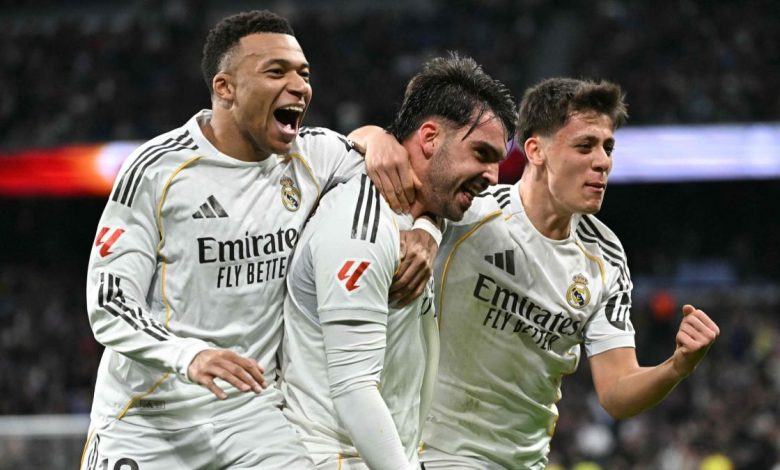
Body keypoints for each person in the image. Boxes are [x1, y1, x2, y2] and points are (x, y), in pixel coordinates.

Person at [80, 10, 426, 469]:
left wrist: (424, 228)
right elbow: (109, 301)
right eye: (276, 72)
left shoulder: (314, 156)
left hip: (250, 414)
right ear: (225, 88)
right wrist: (189, 354)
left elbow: (413, 180)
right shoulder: (157, 170)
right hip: (150, 416)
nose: (299, 86)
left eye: (304, 74)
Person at [416, 77, 721, 469]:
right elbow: (385, 167)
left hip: (524, 462)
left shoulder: (606, 258)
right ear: (535, 150)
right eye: (585, 145)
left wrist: (677, 366)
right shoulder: (470, 214)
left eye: (608, 147)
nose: (603, 161)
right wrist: (371, 138)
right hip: (431, 454)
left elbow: (616, 392)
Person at [280, 53, 517, 470]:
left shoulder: (427, 211)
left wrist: (429, 227)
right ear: (429, 138)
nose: (493, 175)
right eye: (482, 153)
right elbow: (354, 389)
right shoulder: (362, 226)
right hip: (337, 456)